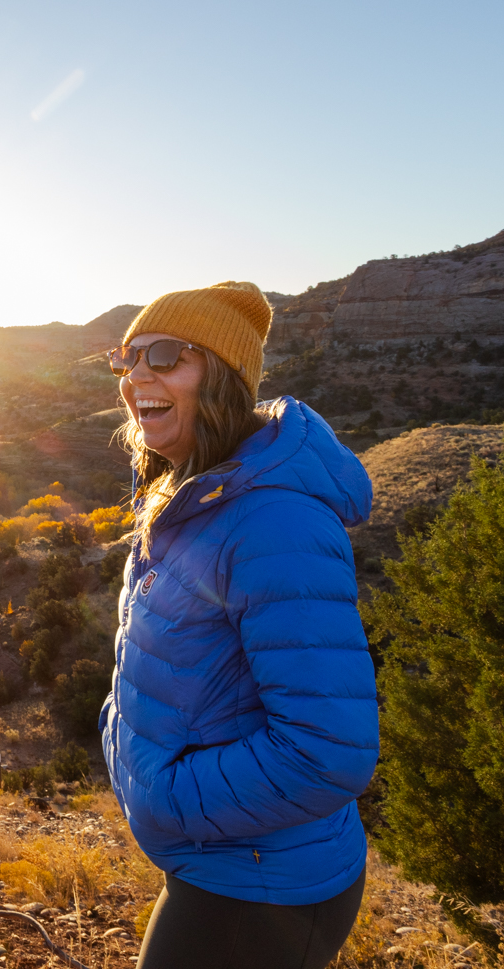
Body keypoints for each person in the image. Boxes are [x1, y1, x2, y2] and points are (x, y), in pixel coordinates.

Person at [98, 282, 378, 969]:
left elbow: (328, 750)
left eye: (165, 356)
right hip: (222, 859)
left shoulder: (275, 521)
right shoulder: (193, 489)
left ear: (221, 376)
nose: (138, 376)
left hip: (266, 890)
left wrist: (163, 793)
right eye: (128, 358)